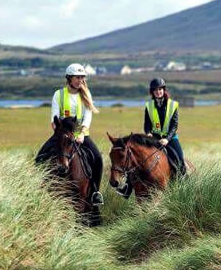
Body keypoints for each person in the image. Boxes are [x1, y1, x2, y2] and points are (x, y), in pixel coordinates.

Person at [35, 63, 104, 206]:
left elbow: (87, 118)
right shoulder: (58, 94)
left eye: (82, 78)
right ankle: (38, 189)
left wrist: (82, 134)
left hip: (81, 135)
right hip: (61, 135)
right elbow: (54, 118)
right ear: (69, 78)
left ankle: (95, 193)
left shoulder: (85, 95)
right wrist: (59, 133)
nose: (80, 80)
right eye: (77, 77)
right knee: (39, 157)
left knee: (98, 158)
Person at [115, 77, 186, 198]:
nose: (158, 92)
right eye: (155, 90)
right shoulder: (149, 106)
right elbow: (147, 124)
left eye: (160, 89)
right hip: (154, 138)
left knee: (179, 160)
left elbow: (174, 125)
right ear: (152, 92)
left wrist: (167, 139)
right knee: (136, 159)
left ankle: (181, 185)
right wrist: (148, 133)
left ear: (164, 90)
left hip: (170, 138)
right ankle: (127, 187)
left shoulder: (173, 105)